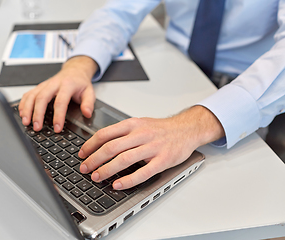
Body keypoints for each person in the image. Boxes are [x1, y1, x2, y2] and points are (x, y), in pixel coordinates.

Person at [19, 0, 285, 190]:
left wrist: (192, 126)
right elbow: (120, 10)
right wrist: (80, 64)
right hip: (173, 67)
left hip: (247, 90)